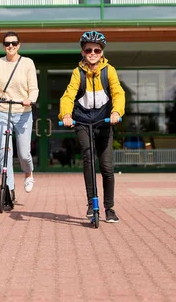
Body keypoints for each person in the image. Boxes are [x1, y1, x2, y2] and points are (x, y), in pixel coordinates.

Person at [58, 31, 125, 223]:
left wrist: (116, 112)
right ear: (83, 52)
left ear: (102, 52)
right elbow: (68, 95)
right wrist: (67, 115)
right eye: (88, 50)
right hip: (82, 120)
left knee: (106, 166)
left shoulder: (109, 70)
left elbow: (118, 92)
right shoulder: (77, 72)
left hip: (104, 121)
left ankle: (109, 208)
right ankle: (91, 203)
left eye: (97, 49)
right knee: (88, 158)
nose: (93, 53)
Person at [0, 31, 39, 203]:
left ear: (19, 45)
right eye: (7, 43)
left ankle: (28, 173)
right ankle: (9, 190)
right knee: (4, 151)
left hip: (23, 113)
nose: (11, 46)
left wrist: (30, 100)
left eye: (14, 43)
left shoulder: (28, 63)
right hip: (3, 110)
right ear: (3, 46)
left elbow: (34, 89)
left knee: (24, 153)